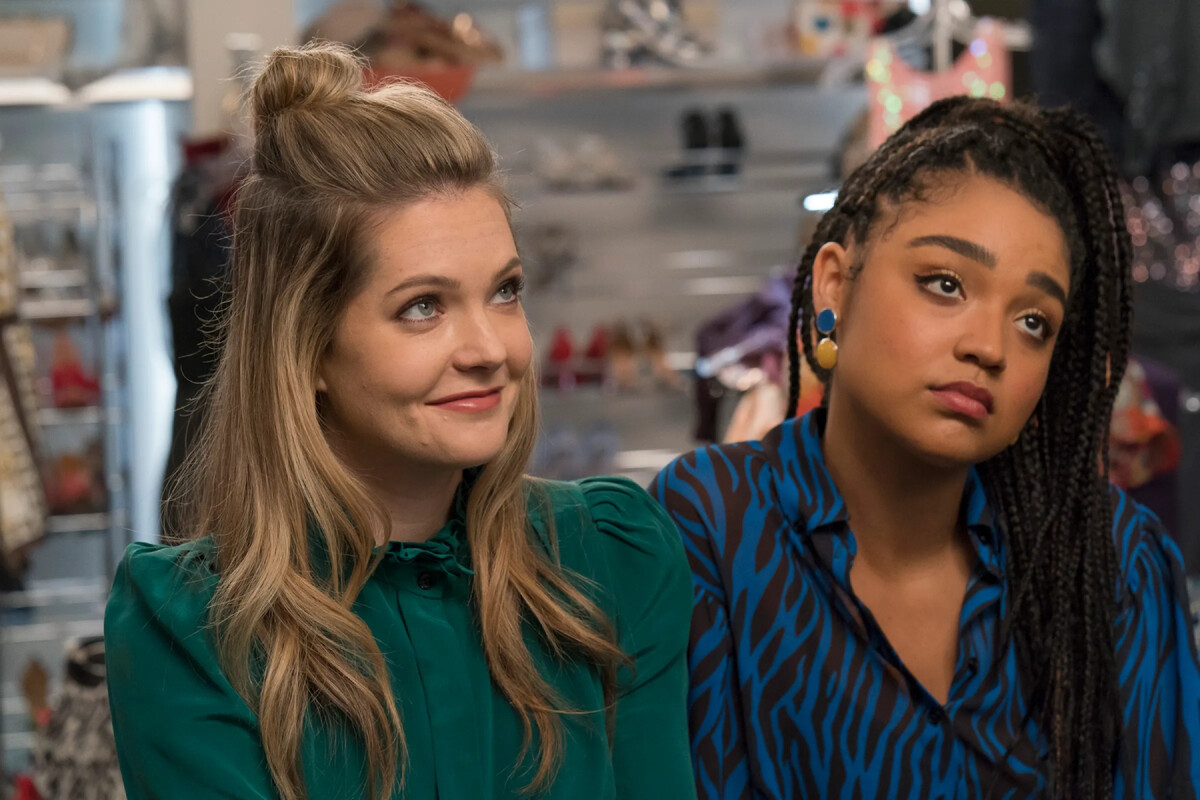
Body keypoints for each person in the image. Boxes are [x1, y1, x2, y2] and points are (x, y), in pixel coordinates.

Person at [104, 43, 695, 800]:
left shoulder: (611, 560)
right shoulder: (189, 629)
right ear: (307, 346)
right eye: (423, 307)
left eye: (506, 291)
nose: (490, 350)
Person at [653, 96, 1200, 800]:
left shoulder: (1115, 560)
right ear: (834, 285)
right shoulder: (714, 524)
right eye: (945, 284)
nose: (988, 346)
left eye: (1033, 322)